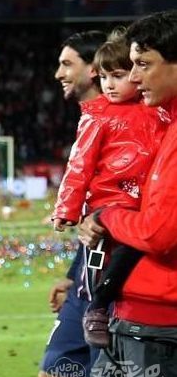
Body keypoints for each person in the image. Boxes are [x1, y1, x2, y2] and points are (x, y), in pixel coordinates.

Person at [78, 10, 177, 377]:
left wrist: (106, 216)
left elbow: (158, 233)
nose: (134, 78)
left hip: (161, 328)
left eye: (143, 64)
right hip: (127, 320)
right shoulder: (163, 125)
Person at [51, 30, 168, 348]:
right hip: (112, 200)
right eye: (104, 77)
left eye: (117, 76)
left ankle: (102, 307)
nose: (110, 85)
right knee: (118, 249)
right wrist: (66, 209)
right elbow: (79, 164)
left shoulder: (157, 110)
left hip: (143, 200)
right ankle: (98, 305)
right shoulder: (98, 115)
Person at [39, 30, 107, 377]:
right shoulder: (88, 122)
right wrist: (73, 274)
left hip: (113, 288)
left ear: (94, 69)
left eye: (67, 64)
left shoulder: (123, 124)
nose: (58, 74)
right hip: (85, 281)